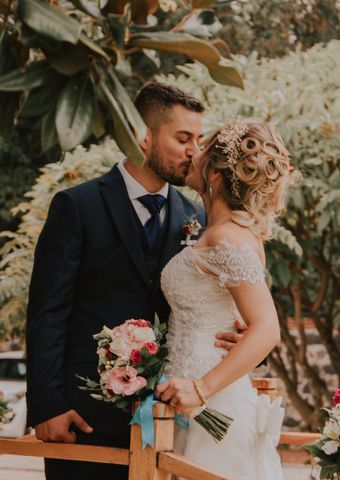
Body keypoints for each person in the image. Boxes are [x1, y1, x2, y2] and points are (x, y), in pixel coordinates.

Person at [26, 82, 244, 480]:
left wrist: (237, 330)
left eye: (198, 139)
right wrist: (47, 406)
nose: (194, 150)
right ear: (143, 135)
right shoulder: (77, 206)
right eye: (182, 138)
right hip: (81, 419)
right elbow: (47, 312)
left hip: (166, 423)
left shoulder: (195, 214)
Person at [155, 120, 296, 479]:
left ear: (215, 174)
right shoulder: (217, 232)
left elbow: (266, 329)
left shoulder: (228, 238)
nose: (193, 152)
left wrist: (201, 390)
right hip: (188, 399)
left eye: (201, 147)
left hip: (212, 404)